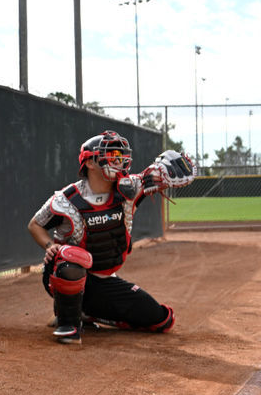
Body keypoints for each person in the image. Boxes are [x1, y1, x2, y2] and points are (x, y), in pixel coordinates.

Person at [27, 130, 196, 345]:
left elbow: (149, 176)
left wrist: (163, 169)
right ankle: (68, 322)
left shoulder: (129, 188)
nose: (119, 161)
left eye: (121, 156)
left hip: (104, 280)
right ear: (89, 162)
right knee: (72, 256)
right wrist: (50, 245)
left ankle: (90, 312)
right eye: (112, 155)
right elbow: (34, 225)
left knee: (162, 320)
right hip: (64, 273)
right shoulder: (66, 200)